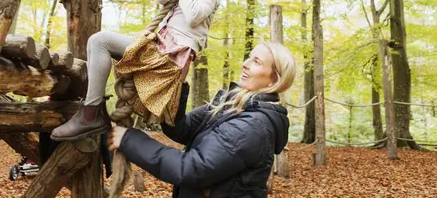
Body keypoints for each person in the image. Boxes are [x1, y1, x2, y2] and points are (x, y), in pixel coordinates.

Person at [51, 0, 231, 141]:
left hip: (168, 58)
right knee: (97, 42)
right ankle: (92, 110)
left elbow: (194, 15)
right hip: (159, 47)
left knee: (100, 41)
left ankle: (91, 114)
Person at [108, 42, 296, 198]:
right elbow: (181, 128)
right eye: (249, 56)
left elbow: (191, 169)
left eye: (257, 62)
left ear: (273, 80)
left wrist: (130, 140)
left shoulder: (253, 126)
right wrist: (178, 83)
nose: (245, 64)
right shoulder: (231, 104)